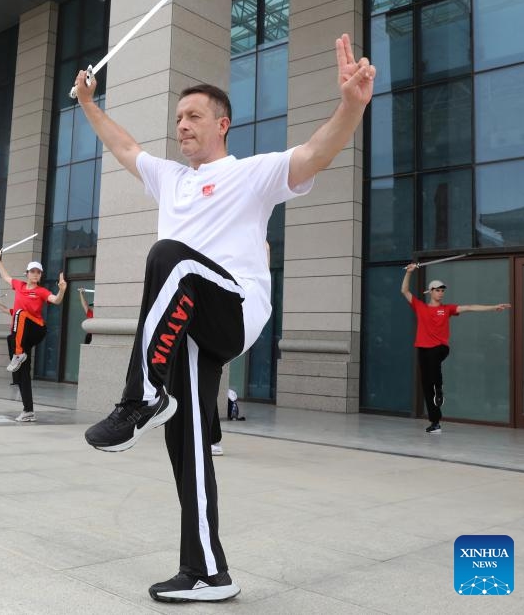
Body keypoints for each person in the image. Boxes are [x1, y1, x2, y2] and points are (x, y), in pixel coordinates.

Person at [73, 34, 376, 603]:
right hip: (185, 330)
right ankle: (209, 572)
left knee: (170, 258)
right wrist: (90, 103)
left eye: (193, 116)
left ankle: (140, 398)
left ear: (222, 125)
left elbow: (315, 153)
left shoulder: (251, 173)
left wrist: (351, 105)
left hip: (231, 310)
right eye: (178, 118)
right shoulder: (170, 179)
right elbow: (124, 147)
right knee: (186, 449)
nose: (182, 125)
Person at [400, 263, 510, 434]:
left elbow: (470, 307)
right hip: (423, 348)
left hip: (440, 348)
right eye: (437, 290)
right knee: (426, 384)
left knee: (434, 363)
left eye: (443, 290)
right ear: (430, 292)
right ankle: (435, 422)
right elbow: (405, 291)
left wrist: (493, 307)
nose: (441, 292)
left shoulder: (447, 309)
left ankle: (439, 387)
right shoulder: (420, 307)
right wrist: (409, 272)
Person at [0, 254, 67, 422]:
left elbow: (56, 300)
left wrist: (61, 290)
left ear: (40, 276)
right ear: (26, 273)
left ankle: (19, 354)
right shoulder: (19, 285)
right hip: (19, 334)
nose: (35, 274)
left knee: (20, 313)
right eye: (32, 271)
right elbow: (5, 276)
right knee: (22, 372)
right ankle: (28, 411)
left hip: (37, 329)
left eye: (38, 272)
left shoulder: (41, 291)